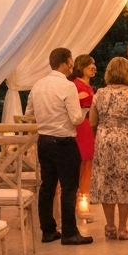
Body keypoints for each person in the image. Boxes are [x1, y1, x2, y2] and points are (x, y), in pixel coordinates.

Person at [24, 47, 93, 245]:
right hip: (64, 141)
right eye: (71, 61)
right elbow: (76, 119)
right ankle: (69, 232)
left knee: (47, 186)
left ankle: (48, 231)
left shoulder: (38, 85)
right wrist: (85, 109)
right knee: (69, 187)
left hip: (44, 141)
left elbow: (28, 113)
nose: (72, 65)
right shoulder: (67, 86)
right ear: (67, 62)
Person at [90, 56, 128, 240]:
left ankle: (110, 226)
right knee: (125, 181)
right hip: (126, 139)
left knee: (107, 181)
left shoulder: (100, 93)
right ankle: (123, 228)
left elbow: (92, 121)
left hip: (105, 139)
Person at [71, 54, 97, 203]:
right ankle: (80, 195)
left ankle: (84, 195)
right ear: (81, 67)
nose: (93, 67)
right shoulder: (76, 85)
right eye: (89, 64)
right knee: (82, 160)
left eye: (93, 64)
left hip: (87, 126)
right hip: (80, 126)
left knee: (88, 160)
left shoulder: (86, 85)